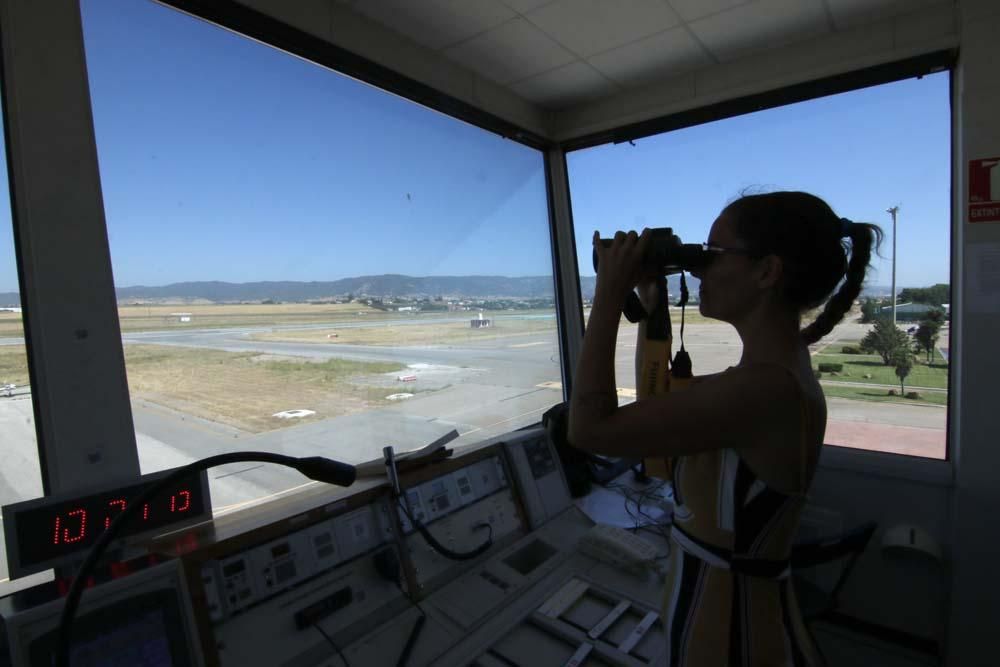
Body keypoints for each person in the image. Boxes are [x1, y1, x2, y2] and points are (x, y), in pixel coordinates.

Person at [567, 191, 883, 666]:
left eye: (712, 254)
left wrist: (608, 293)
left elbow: (588, 428)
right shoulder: (770, 376)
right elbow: (661, 417)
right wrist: (651, 307)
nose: (697, 268)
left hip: (735, 641)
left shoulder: (766, 390)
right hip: (730, 625)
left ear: (766, 271)